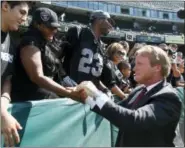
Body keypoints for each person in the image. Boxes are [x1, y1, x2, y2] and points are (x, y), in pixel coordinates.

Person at [74, 45, 182, 147]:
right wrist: (86, 96)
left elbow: (133, 121)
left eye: (140, 64)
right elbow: (117, 110)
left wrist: (96, 95)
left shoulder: (168, 97)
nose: (134, 69)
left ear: (157, 68)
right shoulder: (140, 90)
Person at [11, 7, 80, 101]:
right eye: (50, 27)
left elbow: (61, 74)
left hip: (44, 96)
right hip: (27, 100)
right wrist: (68, 93)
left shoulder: (48, 43)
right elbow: (37, 77)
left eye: (56, 27)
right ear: (37, 25)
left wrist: (77, 88)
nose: (54, 31)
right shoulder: (30, 43)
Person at [1, 1, 33, 147]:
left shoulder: (11, 42)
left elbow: (7, 81)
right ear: (5, 6)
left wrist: (3, 108)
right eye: (22, 12)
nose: (25, 19)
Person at [62, 10, 114, 85]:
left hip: (89, 91)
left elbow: (96, 76)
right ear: (99, 20)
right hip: (70, 89)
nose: (111, 26)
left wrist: (104, 89)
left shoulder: (102, 46)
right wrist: (64, 77)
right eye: (109, 21)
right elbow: (57, 58)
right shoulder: (78, 32)